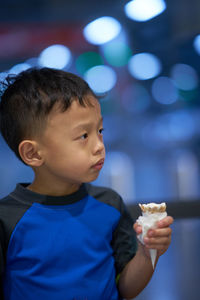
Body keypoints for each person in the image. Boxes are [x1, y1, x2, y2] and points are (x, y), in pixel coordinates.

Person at [0, 67, 173, 300]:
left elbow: (126, 289)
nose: (99, 146)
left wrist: (148, 252)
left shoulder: (109, 204)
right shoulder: (7, 219)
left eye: (99, 131)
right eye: (83, 136)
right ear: (32, 153)